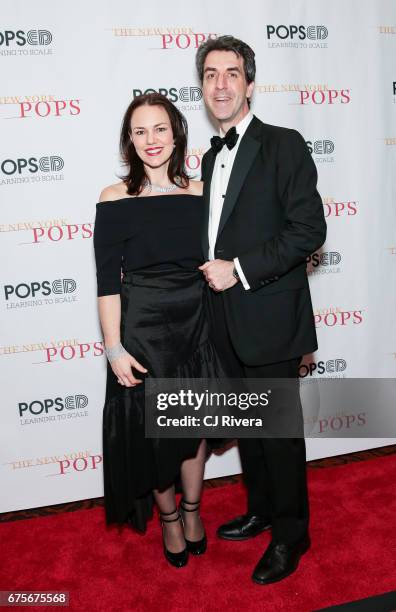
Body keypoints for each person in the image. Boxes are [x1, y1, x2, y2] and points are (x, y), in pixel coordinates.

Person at [196, 36, 327, 584]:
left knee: (278, 432)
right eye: (210, 74)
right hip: (223, 319)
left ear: (250, 83)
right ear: (202, 87)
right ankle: (263, 509)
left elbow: (309, 230)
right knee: (250, 429)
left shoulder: (284, 144)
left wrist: (240, 268)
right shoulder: (207, 157)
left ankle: (292, 535)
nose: (221, 83)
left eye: (231, 73)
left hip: (269, 315)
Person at [93, 93, 224, 568]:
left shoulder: (201, 192)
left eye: (160, 129)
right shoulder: (114, 199)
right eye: (141, 131)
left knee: (194, 430)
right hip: (145, 332)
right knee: (157, 436)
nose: (152, 140)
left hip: (198, 325)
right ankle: (169, 519)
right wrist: (114, 348)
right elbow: (108, 281)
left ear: (177, 133)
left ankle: (192, 511)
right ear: (129, 139)